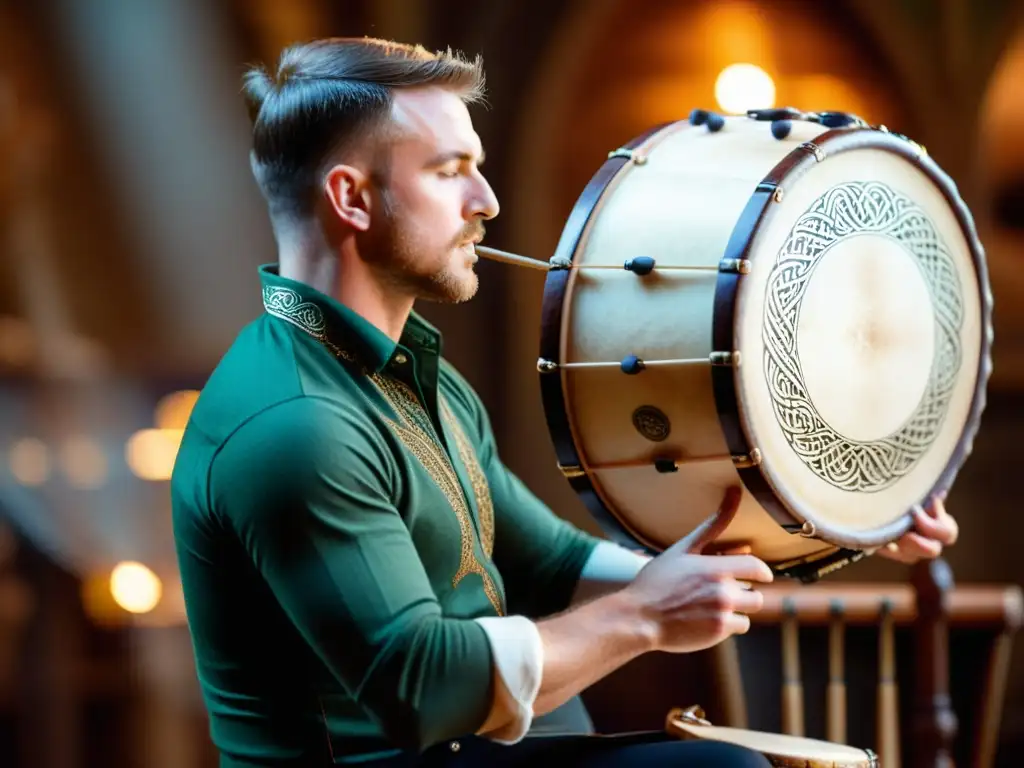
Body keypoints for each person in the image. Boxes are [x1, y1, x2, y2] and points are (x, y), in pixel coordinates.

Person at [170, 37, 959, 767]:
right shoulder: (296, 425)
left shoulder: (413, 377)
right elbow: (422, 690)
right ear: (351, 198)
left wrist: (828, 515)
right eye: (450, 171)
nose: (486, 200)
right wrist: (643, 618)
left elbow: (551, 566)